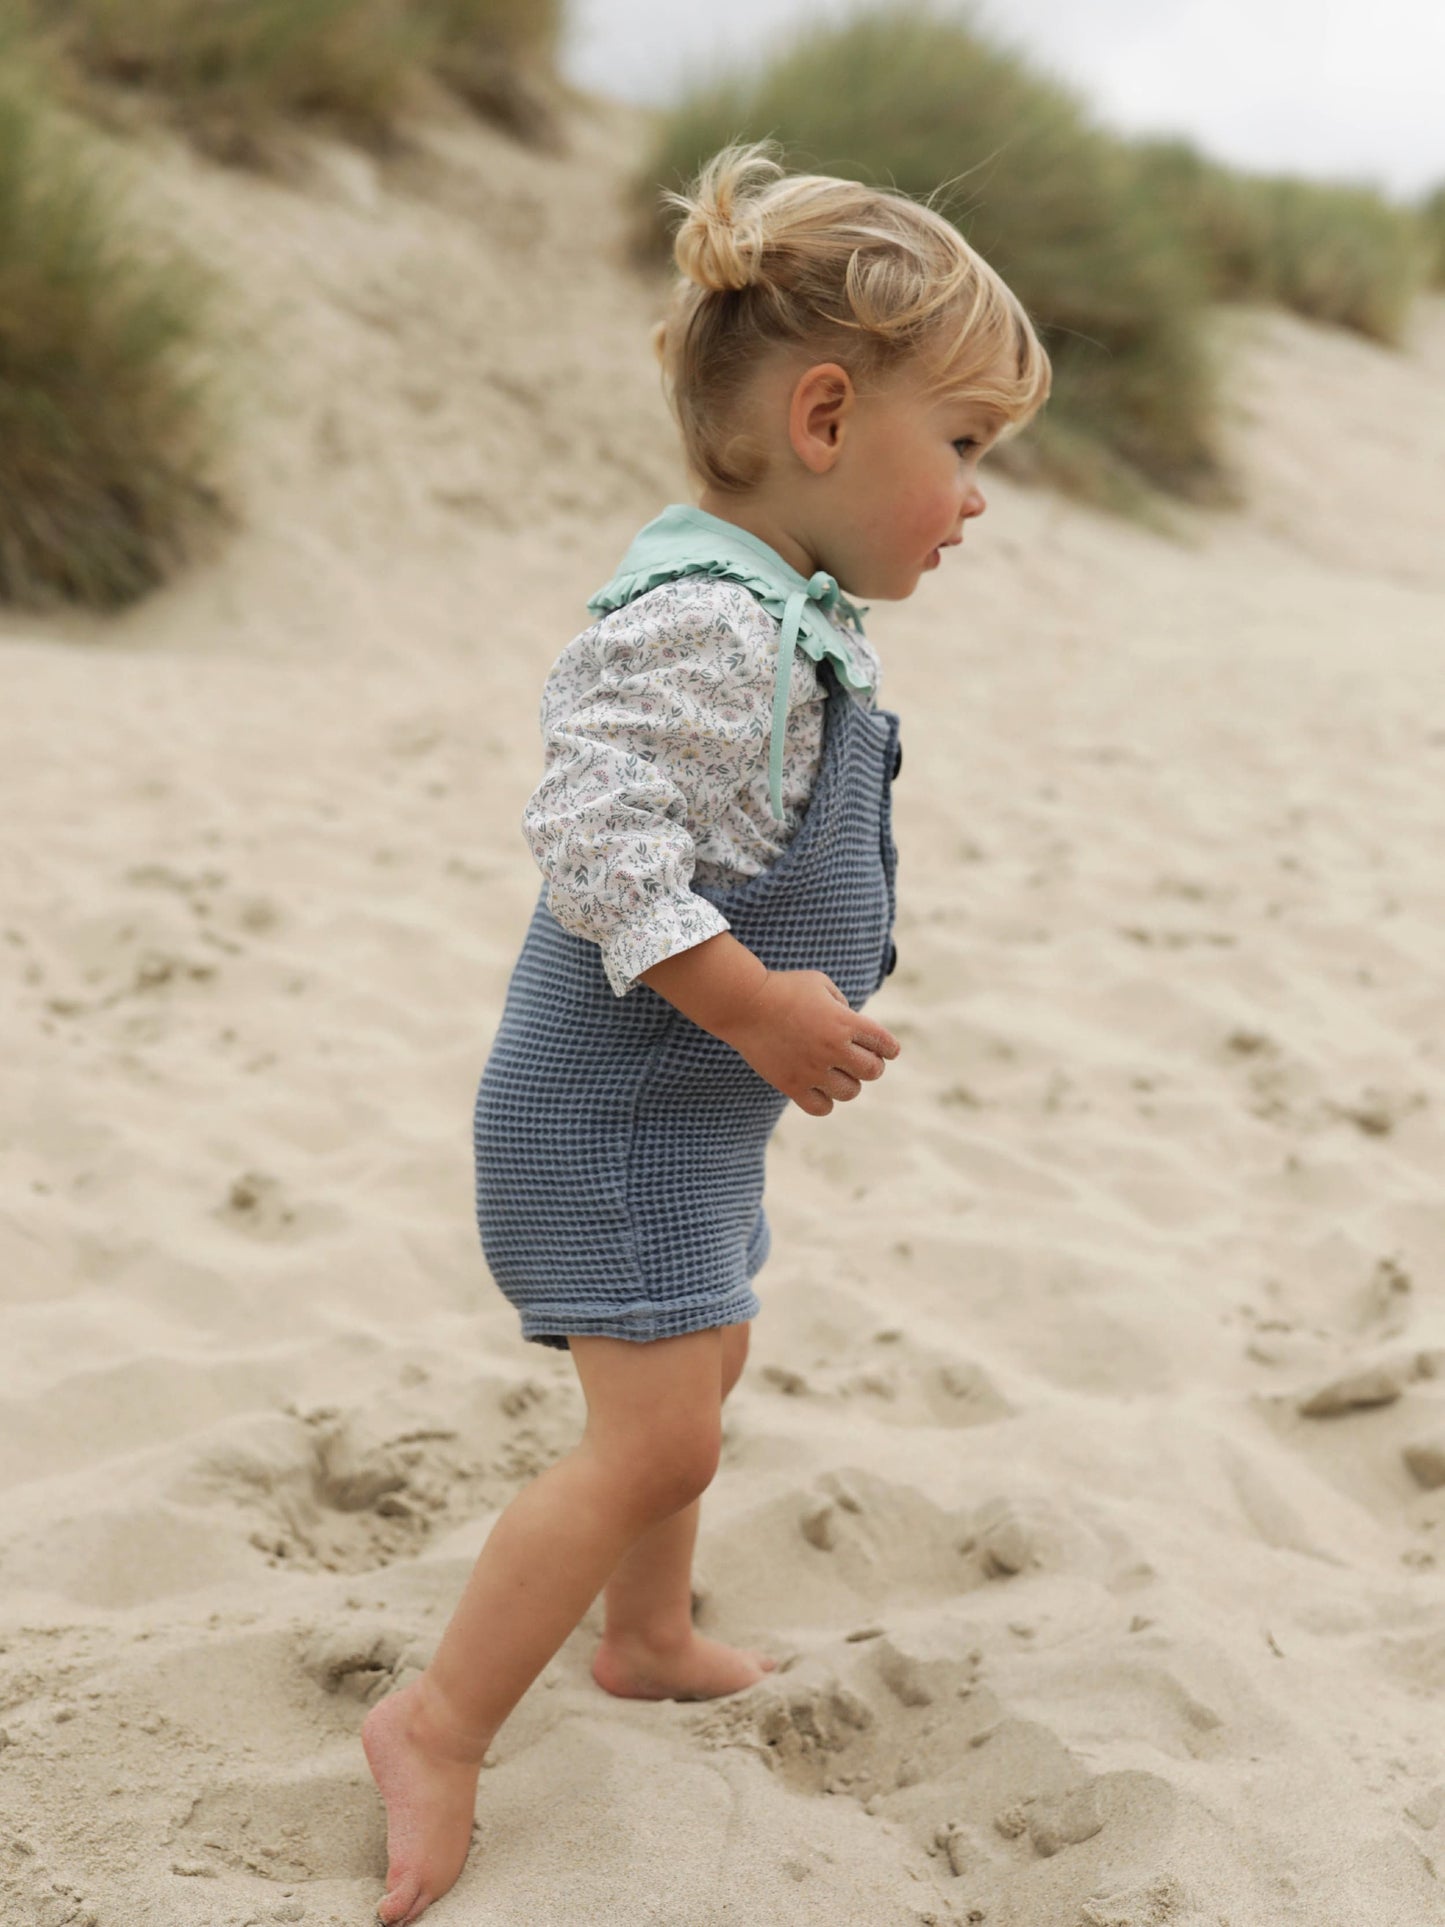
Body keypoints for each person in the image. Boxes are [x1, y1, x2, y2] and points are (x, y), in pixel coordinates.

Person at [361, 136, 1051, 1924]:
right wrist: (750, 1002)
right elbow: (592, 839)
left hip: (688, 1115)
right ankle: (434, 1725)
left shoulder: (781, 617)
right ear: (824, 417)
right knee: (654, 1437)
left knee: (706, 1375)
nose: (975, 499)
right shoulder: (696, 619)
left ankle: (648, 1635)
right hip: (608, 1111)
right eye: (963, 448)